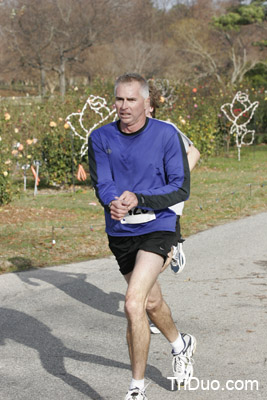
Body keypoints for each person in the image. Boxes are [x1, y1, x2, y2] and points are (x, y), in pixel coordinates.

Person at [88, 73, 196, 400]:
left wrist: (139, 197)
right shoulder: (100, 136)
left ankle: (136, 389)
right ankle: (181, 344)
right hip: (121, 231)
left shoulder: (166, 134)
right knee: (150, 301)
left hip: (159, 225)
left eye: (131, 99)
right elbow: (102, 182)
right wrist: (112, 201)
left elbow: (180, 186)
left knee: (133, 302)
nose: (124, 106)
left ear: (147, 103)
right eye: (119, 99)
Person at [147, 83, 200, 275]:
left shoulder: (166, 129)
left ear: (151, 106)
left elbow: (193, 152)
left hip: (167, 201)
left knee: (157, 257)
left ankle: (172, 247)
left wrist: (177, 182)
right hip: (140, 203)